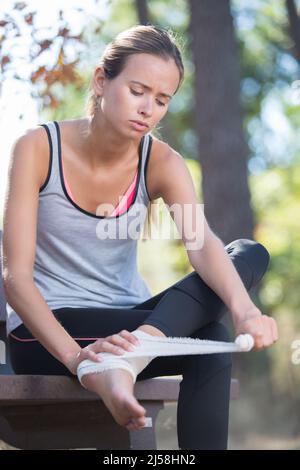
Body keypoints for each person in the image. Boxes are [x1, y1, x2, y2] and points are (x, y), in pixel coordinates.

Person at [1, 24, 278, 450]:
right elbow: (16, 278)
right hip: (49, 330)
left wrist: (244, 310)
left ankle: (136, 354)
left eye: (162, 99)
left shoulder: (161, 162)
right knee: (213, 337)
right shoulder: (38, 149)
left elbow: (201, 244)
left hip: (133, 330)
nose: (148, 108)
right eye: (137, 90)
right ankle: (125, 360)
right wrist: (79, 360)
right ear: (101, 80)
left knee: (249, 254)